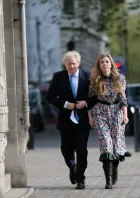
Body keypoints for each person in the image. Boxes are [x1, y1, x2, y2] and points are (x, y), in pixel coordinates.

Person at [46, 51, 96, 189]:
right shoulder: (58, 77)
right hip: (65, 120)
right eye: (69, 64)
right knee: (66, 149)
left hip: (82, 120)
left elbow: (95, 97)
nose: (72, 66)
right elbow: (50, 97)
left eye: (74, 63)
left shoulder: (87, 76)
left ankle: (80, 179)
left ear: (78, 63)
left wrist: (85, 103)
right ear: (65, 65)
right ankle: (72, 166)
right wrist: (64, 104)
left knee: (81, 150)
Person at [88, 53, 132, 189]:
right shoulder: (95, 79)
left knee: (116, 145)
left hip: (116, 113)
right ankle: (108, 180)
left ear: (111, 63)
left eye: (107, 61)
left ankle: (115, 168)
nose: (105, 64)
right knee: (106, 145)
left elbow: (123, 98)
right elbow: (90, 99)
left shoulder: (120, 79)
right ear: (99, 65)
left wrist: (125, 115)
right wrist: (90, 117)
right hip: (100, 112)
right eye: (102, 62)